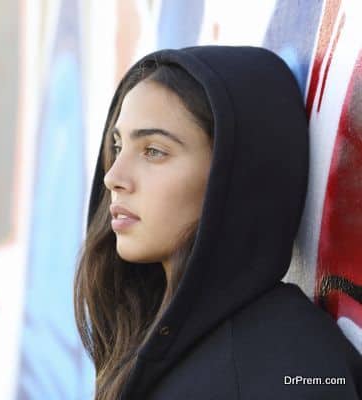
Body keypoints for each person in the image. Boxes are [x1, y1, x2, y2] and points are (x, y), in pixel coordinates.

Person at [73, 45, 362, 399]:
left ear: (234, 173)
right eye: (117, 147)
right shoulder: (158, 342)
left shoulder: (290, 359)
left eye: (153, 151)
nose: (114, 177)